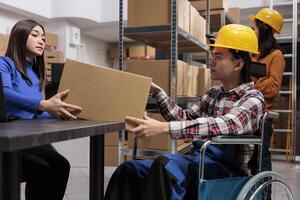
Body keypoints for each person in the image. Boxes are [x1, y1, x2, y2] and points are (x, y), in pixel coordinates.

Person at [104, 24, 265, 200]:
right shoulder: (213, 94)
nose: (211, 61)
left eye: (219, 57)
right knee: (128, 170)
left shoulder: (253, 99)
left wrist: (165, 128)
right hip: (200, 162)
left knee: (164, 166)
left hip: (226, 172)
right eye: (213, 55)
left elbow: (230, 123)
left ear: (238, 63)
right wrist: (159, 94)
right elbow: (184, 117)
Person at [0, 19, 82, 200]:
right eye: (35, 35)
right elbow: (4, 95)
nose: (41, 41)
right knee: (41, 168)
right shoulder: (4, 63)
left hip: (30, 138)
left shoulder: (37, 74)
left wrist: (61, 113)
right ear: (20, 37)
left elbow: (37, 113)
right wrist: (43, 105)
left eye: (43, 37)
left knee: (61, 165)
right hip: (10, 140)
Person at [249, 8, 285, 172]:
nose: (252, 31)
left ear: (264, 29)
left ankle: (264, 196)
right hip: (249, 113)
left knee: (261, 159)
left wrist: (251, 84)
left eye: (255, 28)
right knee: (248, 160)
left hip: (263, 118)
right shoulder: (253, 55)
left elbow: (272, 88)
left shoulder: (276, 56)